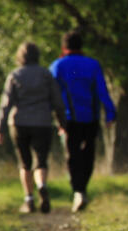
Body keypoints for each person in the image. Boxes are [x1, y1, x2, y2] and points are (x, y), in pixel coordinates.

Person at [0, 41, 67, 213]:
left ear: (20, 57)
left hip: (19, 123)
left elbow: (5, 104)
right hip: (42, 122)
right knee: (41, 160)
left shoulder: (15, 75)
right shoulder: (46, 75)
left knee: (25, 162)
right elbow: (57, 101)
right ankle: (42, 185)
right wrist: (62, 123)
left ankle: (29, 199)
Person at [49, 30, 116, 212]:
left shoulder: (57, 66)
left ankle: (77, 191)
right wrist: (110, 113)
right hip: (91, 118)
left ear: (64, 48)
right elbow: (102, 91)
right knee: (88, 155)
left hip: (68, 119)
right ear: (81, 47)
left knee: (72, 156)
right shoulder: (93, 65)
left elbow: (52, 94)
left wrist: (52, 117)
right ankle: (82, 190)